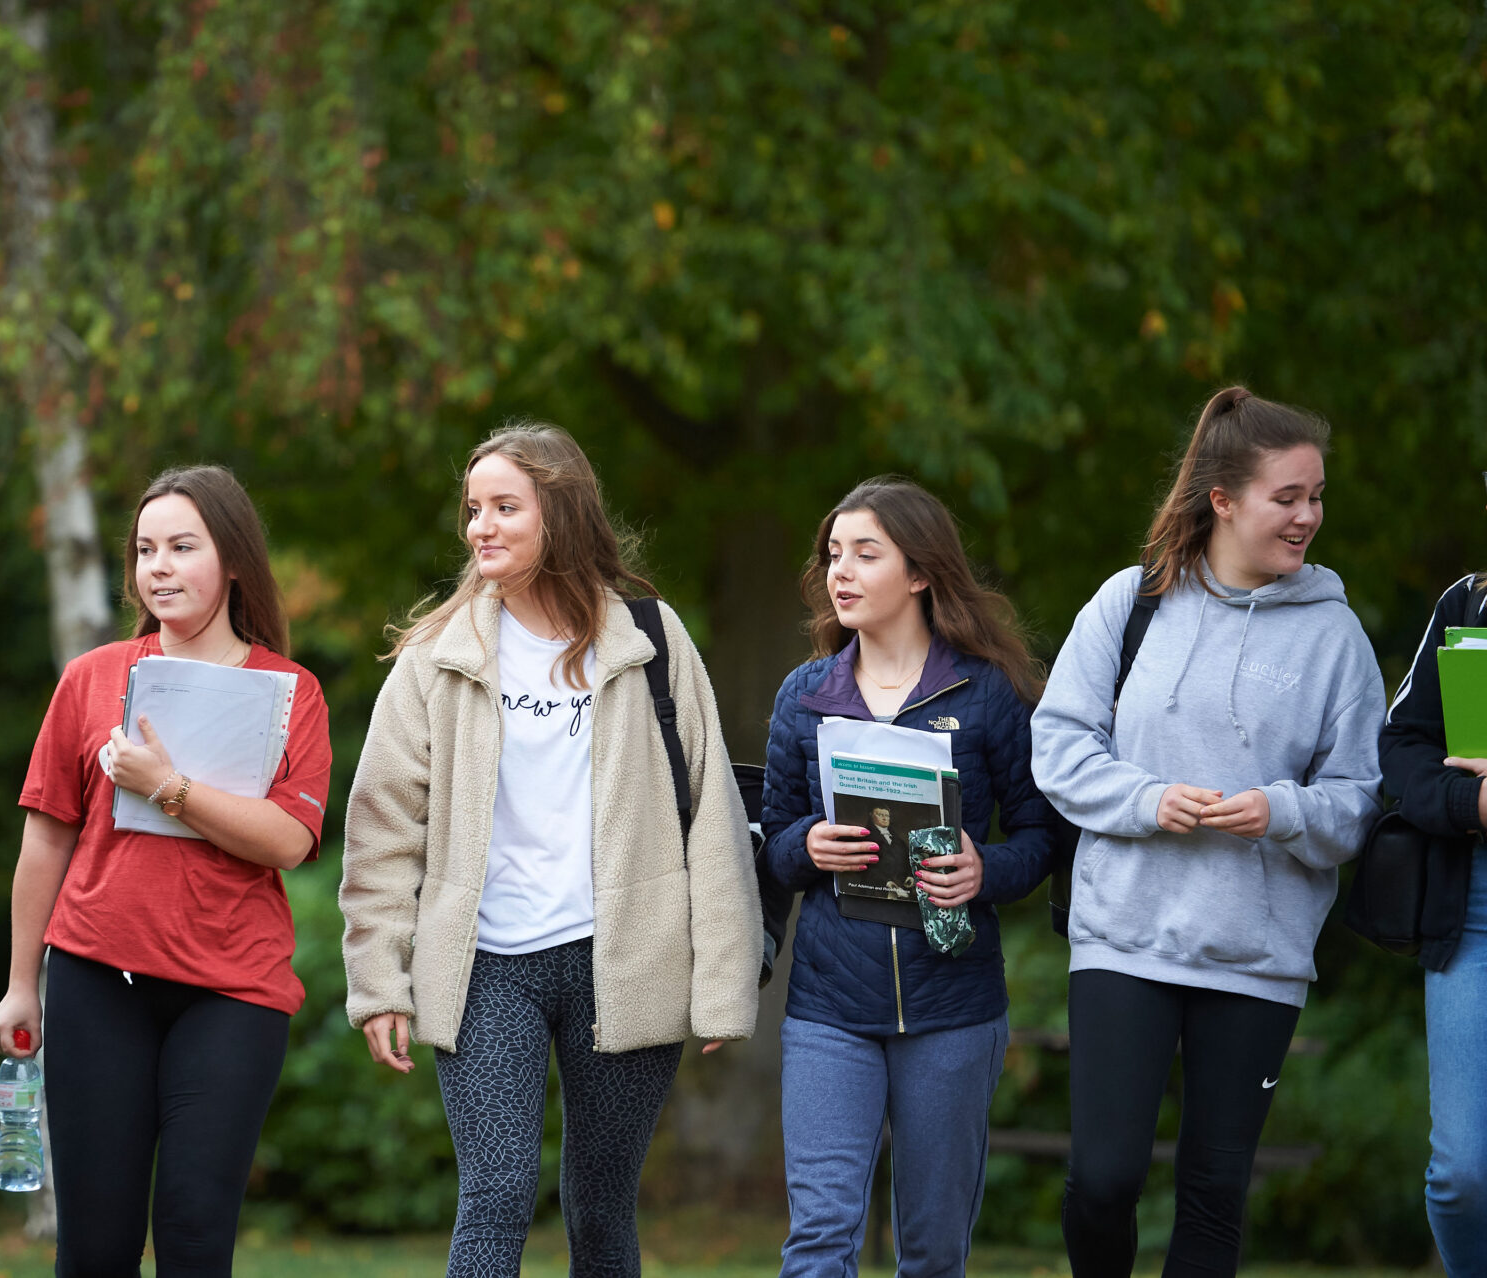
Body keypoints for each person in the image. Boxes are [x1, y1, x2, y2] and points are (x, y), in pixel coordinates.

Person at [339, 422, 762, 1276]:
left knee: (603, 1209)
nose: (479, 528)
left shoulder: (649, 636)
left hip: (626, 959)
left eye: (504, 507)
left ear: (560, 515)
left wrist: (723, 978)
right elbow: (383, 829)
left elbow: (709, 810)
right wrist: (378, 979)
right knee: (493, 1202)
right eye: (472, 510)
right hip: (488, 965)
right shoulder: (436, 657)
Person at [1031, 386, 1385, 1277]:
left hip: (1256, 960)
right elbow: (1060, 747)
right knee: (1104, 1181)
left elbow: (1359, 799)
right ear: (1223, 499)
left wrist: (1285, 812)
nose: (1308, 517)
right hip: (1124, 941)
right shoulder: (1131, 604)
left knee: (1214, 1197)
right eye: (1287, 497)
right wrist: (1149, 800)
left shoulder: (1335, 639)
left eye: (1317, 496)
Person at [0, 465, 332, 1277]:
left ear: (235, 562)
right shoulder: (92, 678)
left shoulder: (291, 692)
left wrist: (168, 788)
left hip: (232, 992)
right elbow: (45, 841)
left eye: (183, 546)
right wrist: (20, 981)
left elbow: (288, 839)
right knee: (97, 1246)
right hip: (96, 978)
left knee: (192, 1232)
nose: (160, 567)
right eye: (146, 550)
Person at [760, 476, 1056, 1277]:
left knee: (931, 1253)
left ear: (920, 573)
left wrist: (982, 870)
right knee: (819, 1242)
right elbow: (772, 842)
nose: (840, 573)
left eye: (866, 554)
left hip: (953, 1008)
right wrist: (808, 846)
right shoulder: (805, 696)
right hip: (829, 1007)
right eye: (833, 556)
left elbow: (1041, 837)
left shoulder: (988, 693)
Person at [1377, 564, 1487, 1274]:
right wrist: (1466, 804)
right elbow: (1403, 747)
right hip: (1472, 913)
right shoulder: (1469, 603)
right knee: (1463, 1177)